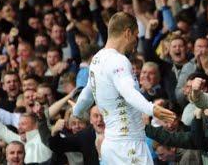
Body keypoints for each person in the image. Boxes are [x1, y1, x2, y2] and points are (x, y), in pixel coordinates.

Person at [73, 12, 175, 165]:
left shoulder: (96, 59)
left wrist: (77, 111)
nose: (136, 41)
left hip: (110, 145)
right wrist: (151, 109)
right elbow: (128, 92)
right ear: (128, 33)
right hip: (129, 147)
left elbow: (87, 94)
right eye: (135, 35)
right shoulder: (119, 60)